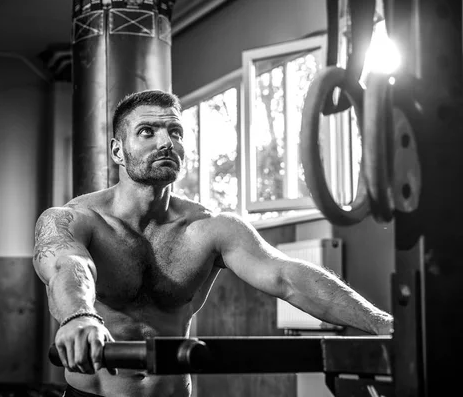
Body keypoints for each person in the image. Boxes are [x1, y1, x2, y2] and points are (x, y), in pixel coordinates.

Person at [32, 89, 393, 397]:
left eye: (175, 131)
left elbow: (286, 276)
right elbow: (70, 266)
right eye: (147, 131)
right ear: (117, 151)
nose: (166, 142)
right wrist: (80, 317)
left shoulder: (210, 227)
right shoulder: (73, 219)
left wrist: (384, 325)